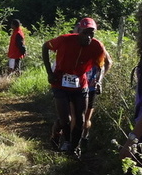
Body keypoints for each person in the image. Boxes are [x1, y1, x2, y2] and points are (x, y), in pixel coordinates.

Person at [42, 17, 107, 156]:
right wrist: (49, 73)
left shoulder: (97, 46)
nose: (88, 36)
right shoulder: (65, 40)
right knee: (65, 119)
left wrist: (99, 81)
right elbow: (45, 47)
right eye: (85, 33)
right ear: (79, 31)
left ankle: (75, 147)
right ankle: (63, 139)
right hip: (60, 82)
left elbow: (101, 65)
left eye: (91, 33)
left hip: (80, 84)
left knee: (81, 119)